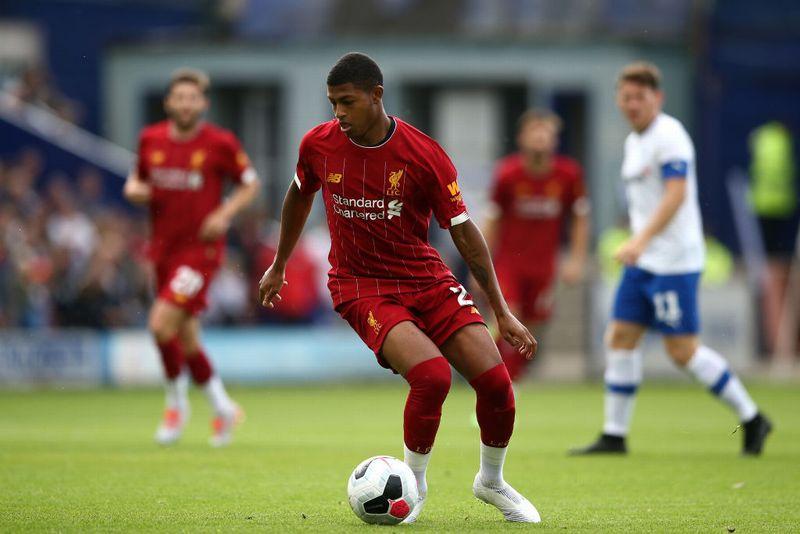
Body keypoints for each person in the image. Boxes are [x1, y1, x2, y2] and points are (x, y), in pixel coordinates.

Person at [258, 52, 541, 523]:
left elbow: (464, 232)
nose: (338, 113)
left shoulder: (423, 155)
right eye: (332, 103)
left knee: (496, 383)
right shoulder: (318, 145)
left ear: (377, 95)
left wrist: (502, 311)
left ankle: (491, 481)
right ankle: (414, 486)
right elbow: (299, 196)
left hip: (425, 278)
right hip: (360, 285)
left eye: (347, 102)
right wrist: (279, 263)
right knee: (432, 378)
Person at [571, 62, 772, 456]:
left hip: (674, 262)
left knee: (682, 351)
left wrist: (639, 240)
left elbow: (676, 195)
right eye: (626, 97)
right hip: (644, 261)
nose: (632, 104)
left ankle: (752, 417)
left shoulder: (670, 135)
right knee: (620, 337)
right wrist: (639, 243)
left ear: (657, 98)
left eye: (640, 97)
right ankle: (614, 435)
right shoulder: (634, 142)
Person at [124, 68, 260, 447]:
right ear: (169, 102)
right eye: (179, 98)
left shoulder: (220, 142)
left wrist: (224, 214)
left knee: (159, 326)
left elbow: (250, 184)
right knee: (187, 341)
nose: (186, 104)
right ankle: (223, 408)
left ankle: (175, 405)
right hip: (163, 251)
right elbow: (137, 179)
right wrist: (134, 190)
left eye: (192, 98)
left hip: (200, 252)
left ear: (203, 104)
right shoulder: (150, 139)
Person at [484, 109, 590, 381]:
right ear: (522, 137)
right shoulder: (507, 173)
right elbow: (492, 219)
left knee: (531, 328)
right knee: (509, 319)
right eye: (535, 131)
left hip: (543, 267)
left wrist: (576, 259)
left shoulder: (568, 175)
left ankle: (511, 381)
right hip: (509, 264)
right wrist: (480, 264)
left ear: (555, 140)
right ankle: (493, 382)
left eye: (546, 132)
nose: (540, 137)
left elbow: (580, 218)